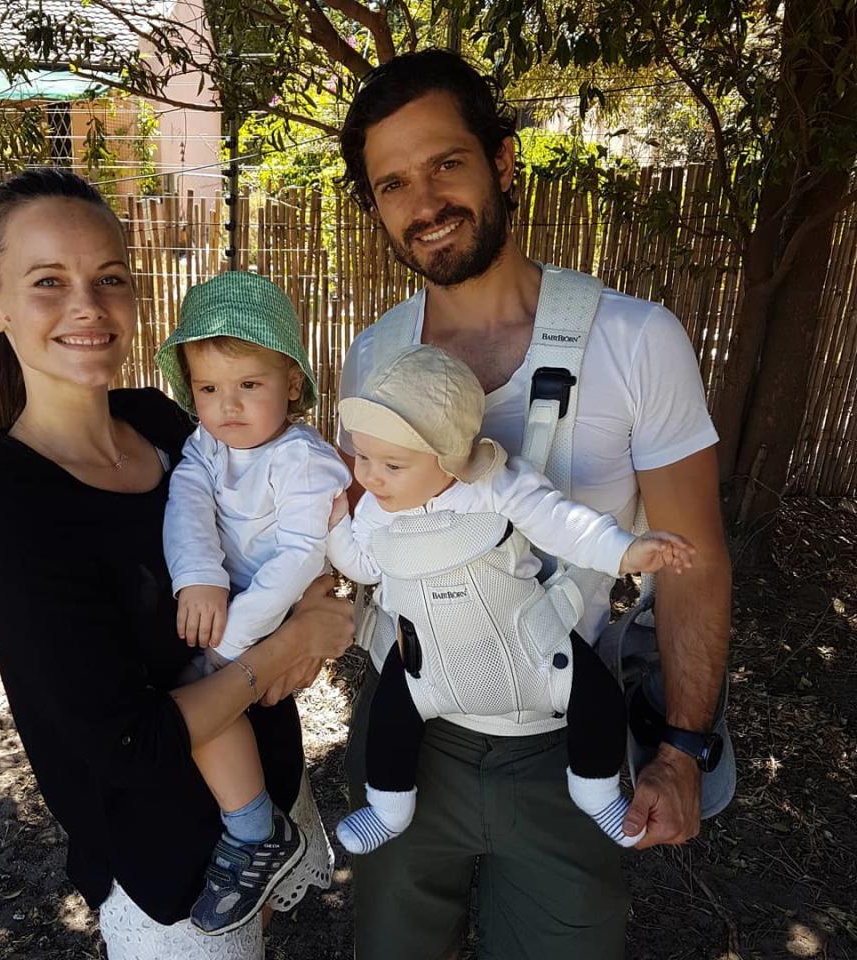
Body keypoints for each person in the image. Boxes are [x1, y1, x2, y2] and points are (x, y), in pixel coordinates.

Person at [337, 50, 732, 959]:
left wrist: (679, 748)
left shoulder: (635, 340)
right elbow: (373, 530)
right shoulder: (376, 356)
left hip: (569, 736)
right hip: (416, 729)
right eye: (392, 183)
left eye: (445, 163)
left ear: (504, 161)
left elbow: (695, 562)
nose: (424, 202)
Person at [0, 168, 354, 960]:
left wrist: (318, 595)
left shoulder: (167, 420)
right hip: (173, 867)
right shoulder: (13, 516)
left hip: (267, 787)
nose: (88, 306)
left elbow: (278, 525)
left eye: (110, 277)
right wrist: (285, 646)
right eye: (48, 281)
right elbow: (126, 746)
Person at [327, 344, 697, 854]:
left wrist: (626, 551)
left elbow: (564, 523)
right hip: (428, 665)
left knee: (598, 698)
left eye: (392, 463)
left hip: (533, 652)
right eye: (363, 457)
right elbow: (364, 565)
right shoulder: (377, 508)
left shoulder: (494, 487)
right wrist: (333, 531)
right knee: (390, 715)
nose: (370, 476)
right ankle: (389, 808)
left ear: (450, 456)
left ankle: (596, 792)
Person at [154, 271, 350, 933]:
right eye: (208, 389)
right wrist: (198, 576)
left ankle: (250, 831)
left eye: (248, 386)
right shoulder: (206, 445)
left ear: (291, 383)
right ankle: (255, 827)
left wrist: (237, 640)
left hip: (273, 608)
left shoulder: (305, 462)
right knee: (201, 698)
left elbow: (298, 559)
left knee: (207, 693)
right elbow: (187, 505)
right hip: (232, 604)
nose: (226, 407)